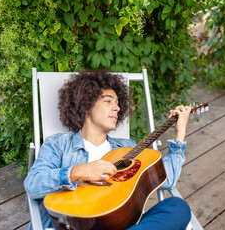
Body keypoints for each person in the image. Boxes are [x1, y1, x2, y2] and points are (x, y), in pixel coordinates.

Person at [24, 71, 192, 230]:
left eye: (118, 103)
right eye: (108, 101)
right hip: (74, 225)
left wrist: (180, 134)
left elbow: (166, 180)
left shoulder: (127, 148)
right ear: (86, 106)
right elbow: (33, 183)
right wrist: (78, 172)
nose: (117, 108)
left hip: (118, 224)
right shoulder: (59, 144)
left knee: (177, 207)